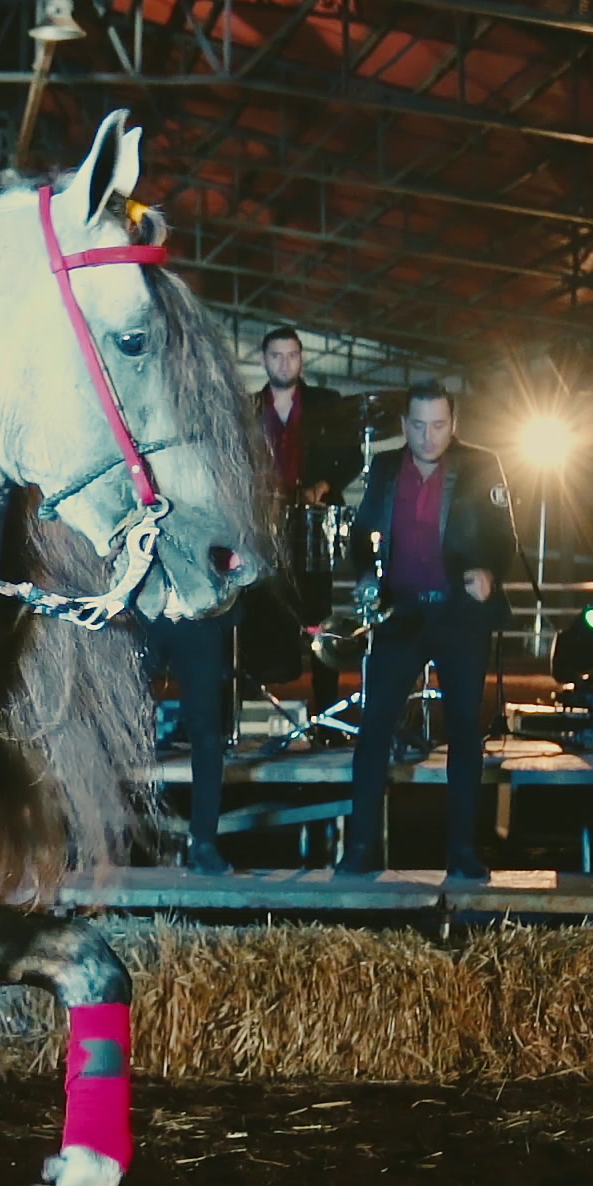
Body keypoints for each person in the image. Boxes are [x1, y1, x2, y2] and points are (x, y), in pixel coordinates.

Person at [338, 384, 511, 880]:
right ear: (403, 425)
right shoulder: (387, 468)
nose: (427, 435)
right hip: (400, 617)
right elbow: (361, 534)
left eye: (437, 424)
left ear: (453, 425)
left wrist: (490, 573)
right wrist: (367, 575)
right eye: (417, 424)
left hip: (459, 616)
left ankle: (462, 851)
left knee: (464, 733)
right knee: (373, 733)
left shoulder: (483, 465)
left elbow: (506, 536)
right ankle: (361, 848)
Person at [241, 327, 363, 739]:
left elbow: (353, 456)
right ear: (263, 359)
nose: (284, 363)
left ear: (301, 358)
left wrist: (324, 486)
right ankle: (243, 715)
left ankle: (326, 717)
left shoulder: (327, 405)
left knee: (318, 617)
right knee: (257, 609)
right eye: (276, 356)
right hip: (262, 526)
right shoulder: (246, 408)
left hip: (312, 523)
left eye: (291, 355)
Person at [130, 612, 234, 874]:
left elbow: (245, 571)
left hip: (198, 618)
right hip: (143, 615)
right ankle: (102, 838)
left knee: (207, 734)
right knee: (115, 719)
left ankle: (204, 843)